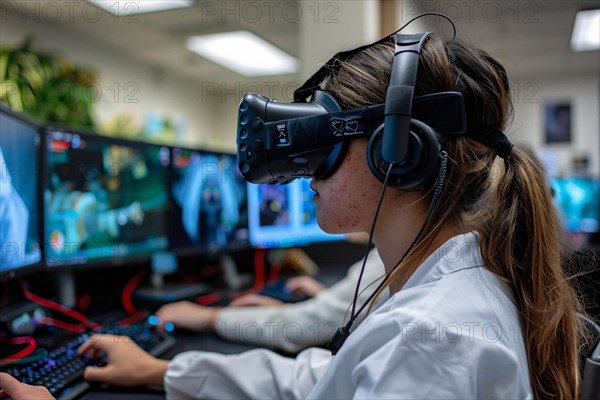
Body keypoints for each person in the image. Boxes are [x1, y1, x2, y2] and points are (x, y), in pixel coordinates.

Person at [1, 32, 585, 399]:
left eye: (322, 143)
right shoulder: (438, 292)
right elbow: (323, 383)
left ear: (395, 152)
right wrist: (165, 374)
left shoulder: (431, 337)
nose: (303, 169)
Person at [154, 246, 386, 353]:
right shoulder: (394, 256)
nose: (313, 180)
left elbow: (299, 330)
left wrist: (207, 317)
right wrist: (321, 303)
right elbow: (342, 316)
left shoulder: (385, 264)